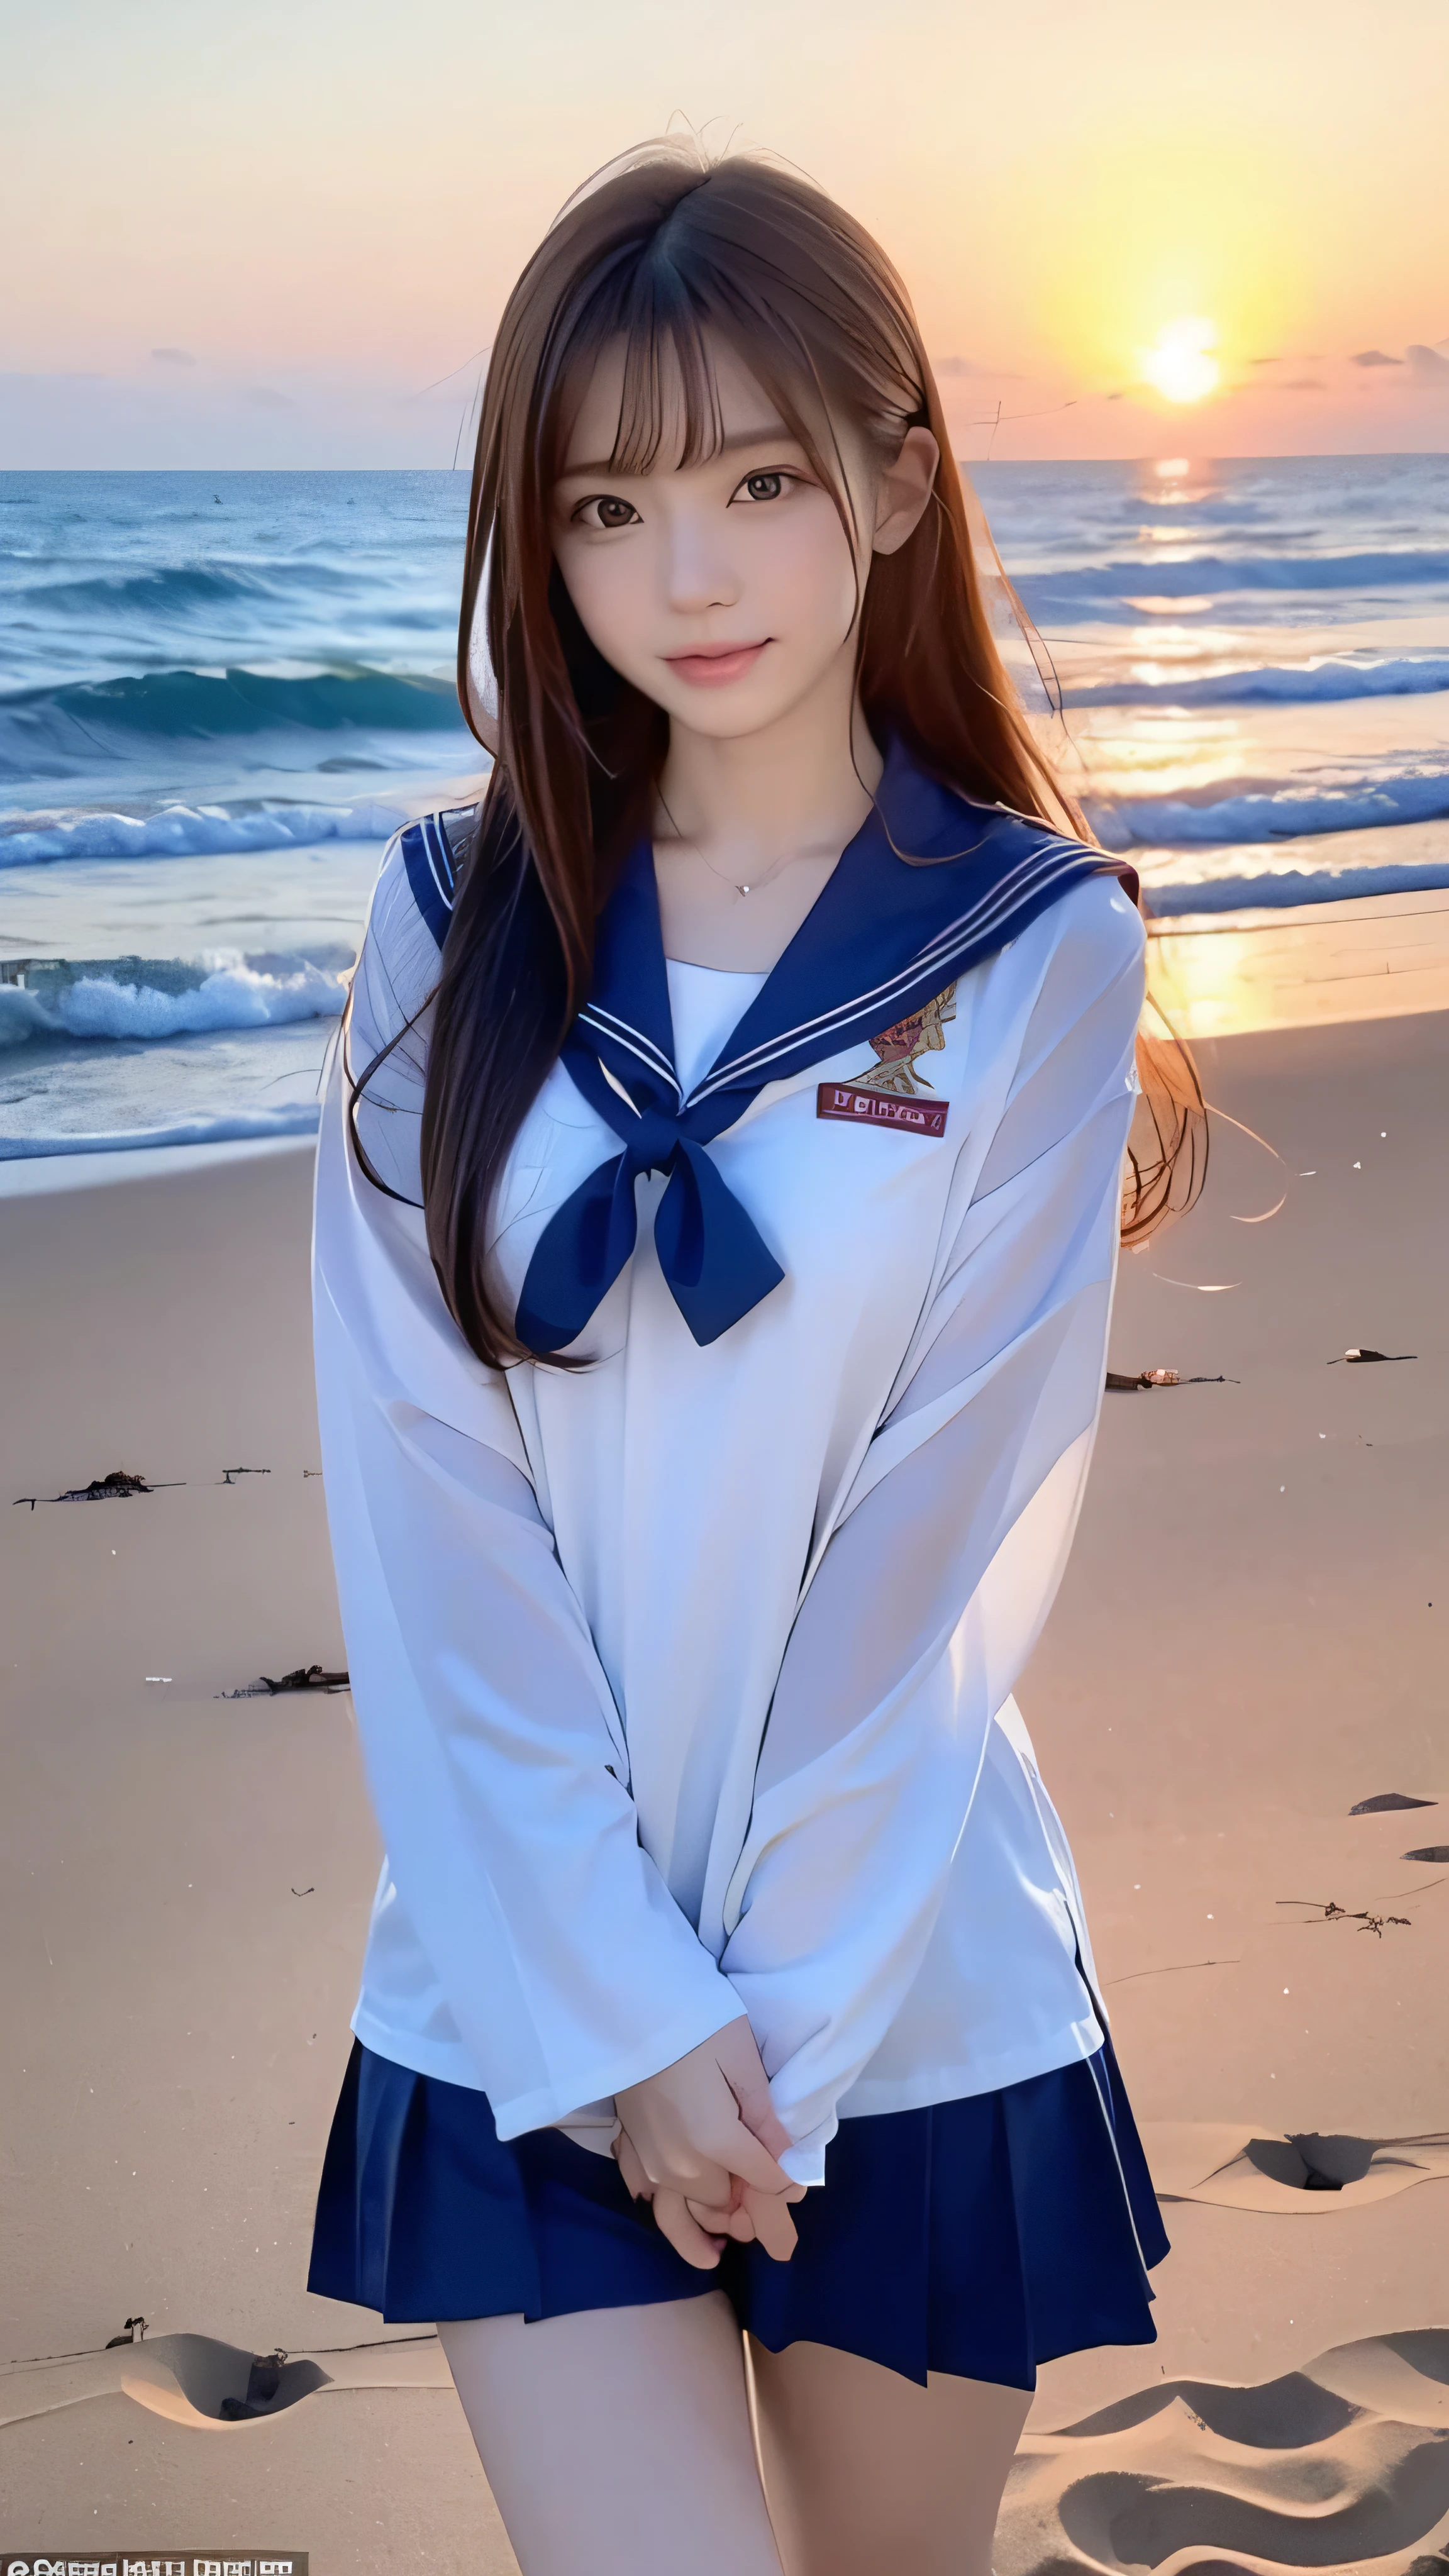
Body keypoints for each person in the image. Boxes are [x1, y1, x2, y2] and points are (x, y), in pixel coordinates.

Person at [306, 137, 1199, 2576]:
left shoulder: (1025, 954)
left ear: (897, 475)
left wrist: (766, 2038)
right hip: (523, 1977)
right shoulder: (441, 921)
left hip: (898, 1994)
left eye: (756, 479)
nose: (681, 574)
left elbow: (943, 1541)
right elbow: (423, 1493)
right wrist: (614, 2012)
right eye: (602, 508)